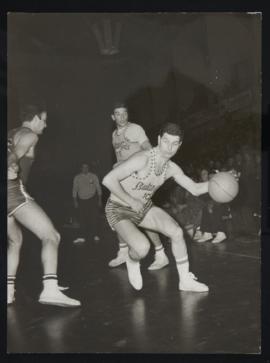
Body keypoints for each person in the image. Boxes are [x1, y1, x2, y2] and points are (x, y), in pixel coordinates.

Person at [103, 122, 209, 292]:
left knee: (176, 232)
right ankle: (132, 260)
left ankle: (185, 281)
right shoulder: (142, 158)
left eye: (175, 143)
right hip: (118, 207)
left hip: (143, 207)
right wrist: (130, 200)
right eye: (166, 141)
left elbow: (195, 189)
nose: (169, 147)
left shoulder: (172, 168)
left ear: (179, 145)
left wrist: (217, 183)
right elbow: (108, 180)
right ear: (159, 139)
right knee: (142, 248)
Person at [7, 104, 81, 307]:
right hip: (11, 190)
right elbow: (16, 155)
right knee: (51, 236)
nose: (46, 125)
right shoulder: (30, 134)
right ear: (35, 119)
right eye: (44, 120)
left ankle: (7, 291)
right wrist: (11, 166)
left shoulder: (10, 133)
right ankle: (49, 289)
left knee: (15, 241)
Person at [108, 102, 169, 270]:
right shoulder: (114, 134)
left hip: (137, 179)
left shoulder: (135, 129)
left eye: (124, 113)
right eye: (118, 114)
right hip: (124, 179)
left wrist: (150, 167)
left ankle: (160, 253)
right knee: (118, 212)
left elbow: (148, 148)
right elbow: (121, 156)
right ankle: (122, 252)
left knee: (143, 214)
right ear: (113, 117)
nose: (122, 117)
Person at [72, 163, 102, 243]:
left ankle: (95, 235)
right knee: (82, 219)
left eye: (86, 167)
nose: (85, 169)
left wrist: (99, 200)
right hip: (81, 200)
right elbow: (75, 189)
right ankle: (82, 237)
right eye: (83, 167)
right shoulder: (77, 177)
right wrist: (75, 201)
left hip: (93, 199)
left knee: (93, 218)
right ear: (81, 168)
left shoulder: (93, 176)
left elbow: (98, 187)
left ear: (89, 168)